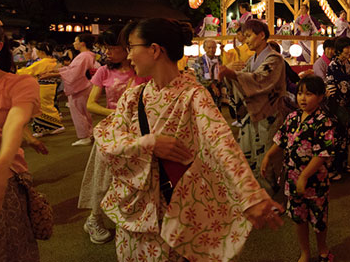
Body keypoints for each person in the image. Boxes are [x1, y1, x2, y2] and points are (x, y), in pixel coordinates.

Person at [94, 18, 284, 262]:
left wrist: (251, 195)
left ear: (154, 50)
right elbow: (105, 138)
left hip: (178, 209)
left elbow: (222, 142)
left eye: (132, 47)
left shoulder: (194, 95)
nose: (128, 56)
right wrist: (149, 143)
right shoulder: (132, 97)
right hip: (136, 213)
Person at [79, 25, 146, 244]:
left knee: (132, 178)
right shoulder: (104, 71)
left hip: (138, 131)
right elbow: (91, 105)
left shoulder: (142, 70)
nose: (107, 52)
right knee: (103, 179)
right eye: (105, 47)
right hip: (112, 130)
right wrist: (119, 112)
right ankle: (94, 219)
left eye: (112, 47)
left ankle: (126, 218)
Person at [261, 76, 336, 262]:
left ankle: (322, 248)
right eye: (300, 93)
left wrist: (304, 176)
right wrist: (268, 156)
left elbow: (323, 154)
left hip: (315, 181)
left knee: (319, 220)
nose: (302, 98)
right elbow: (281, 140)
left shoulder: (323, 121)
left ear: (320, 97)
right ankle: (305, 252)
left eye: (309, 94)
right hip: (293, 179)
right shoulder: (293, 117)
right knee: (298, 218)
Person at [0, 18, 41, 261]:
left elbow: (15, 122)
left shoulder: (19, 83)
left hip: (2, 184)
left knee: (7, 251)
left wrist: (0, 162)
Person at [218, 19, 287, 178]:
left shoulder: (274, 59)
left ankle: (269, 196)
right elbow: (243, 80)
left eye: (249, 36)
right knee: (249, 158)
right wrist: (232, 75)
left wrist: (232, 74)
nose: (246, 40)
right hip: (252, 116)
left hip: (268, 116)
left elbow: (259, 80)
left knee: (266, 161)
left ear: (262, 35)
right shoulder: (252, 60)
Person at [41, 34, 98, 146]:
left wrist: (55, 74)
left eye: (75, 41)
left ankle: (84, 135)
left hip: (80, 86)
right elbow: (72, 70)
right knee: (84, 112)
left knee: (78, 112)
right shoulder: (87, 55)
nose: (73, 43)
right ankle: (89, 133)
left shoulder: (84, 56)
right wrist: (57, 72)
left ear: (82, 43)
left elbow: (74, 73)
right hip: (84, 85)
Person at [325, 37, 350, 178]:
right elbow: (333, 89)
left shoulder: (347, 64)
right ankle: (332, 169)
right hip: (337, 106)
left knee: (346, 136)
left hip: (347, 105)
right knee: (337, 137)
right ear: (339, 50)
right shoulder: (333, 65)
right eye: (347, 48)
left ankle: (343, 164)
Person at [17, 41, 65, 137]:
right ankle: (45, 128)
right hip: (50, 86)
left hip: (44, 87)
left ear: (41, 52)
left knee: (43, 107)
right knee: (47, 106)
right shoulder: (52, 61)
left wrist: (15, 71)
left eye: (37, 51)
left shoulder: (43, 62)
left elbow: (28, 71)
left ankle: (56, 126)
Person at [192, 39, 222, 104]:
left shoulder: (219, 60)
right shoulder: (198, 60)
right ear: (204, 49)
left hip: (218, 89)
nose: (211, 50)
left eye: (213, 47)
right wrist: (212, 86)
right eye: (209, 48)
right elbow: (199, 76)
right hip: (204, 90)